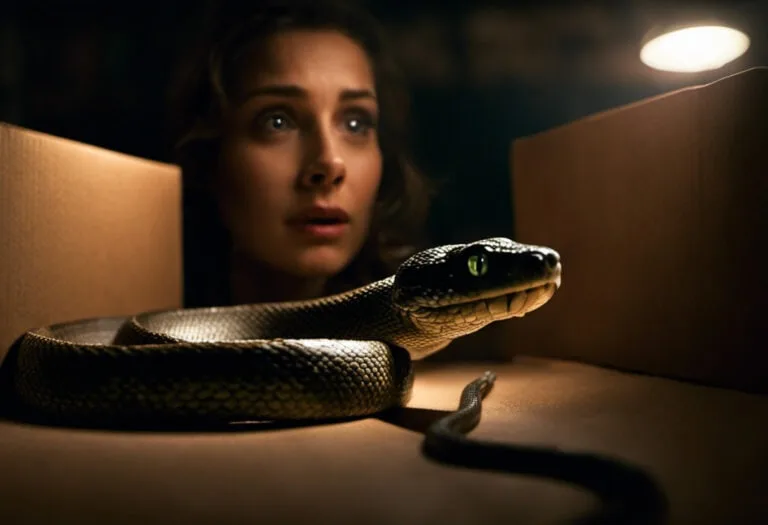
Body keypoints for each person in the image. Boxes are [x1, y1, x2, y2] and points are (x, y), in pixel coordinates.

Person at [168, 0, 433, 307]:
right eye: (277, 121)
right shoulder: (138, 339)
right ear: (208, 151)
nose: (329, 163)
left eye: (355, 123)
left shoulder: (439, 343)